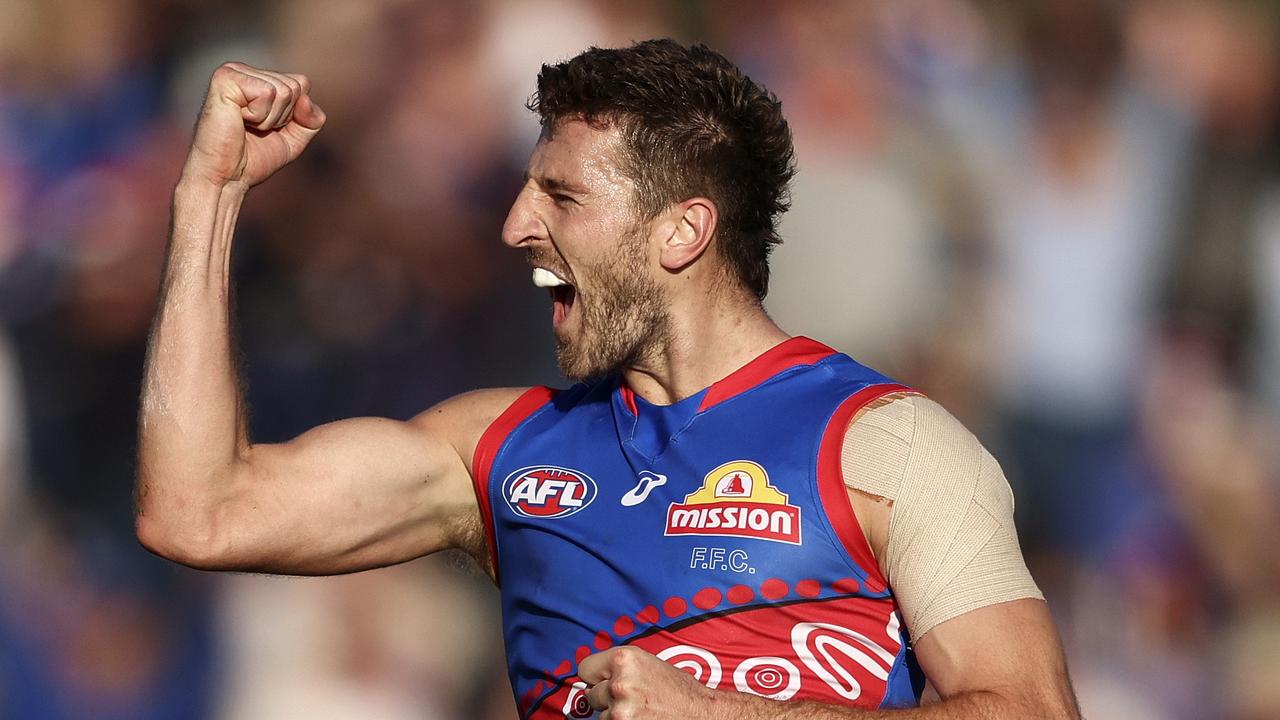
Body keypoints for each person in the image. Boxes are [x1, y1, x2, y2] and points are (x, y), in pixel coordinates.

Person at [136, 40, 1080, 719]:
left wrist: (716, 717)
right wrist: (209, 199)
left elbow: (1034, 711)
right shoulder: (502, 449)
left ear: (683, 231)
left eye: (562, 196)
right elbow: (197, 510)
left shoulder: (886, 443)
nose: (514, 226)